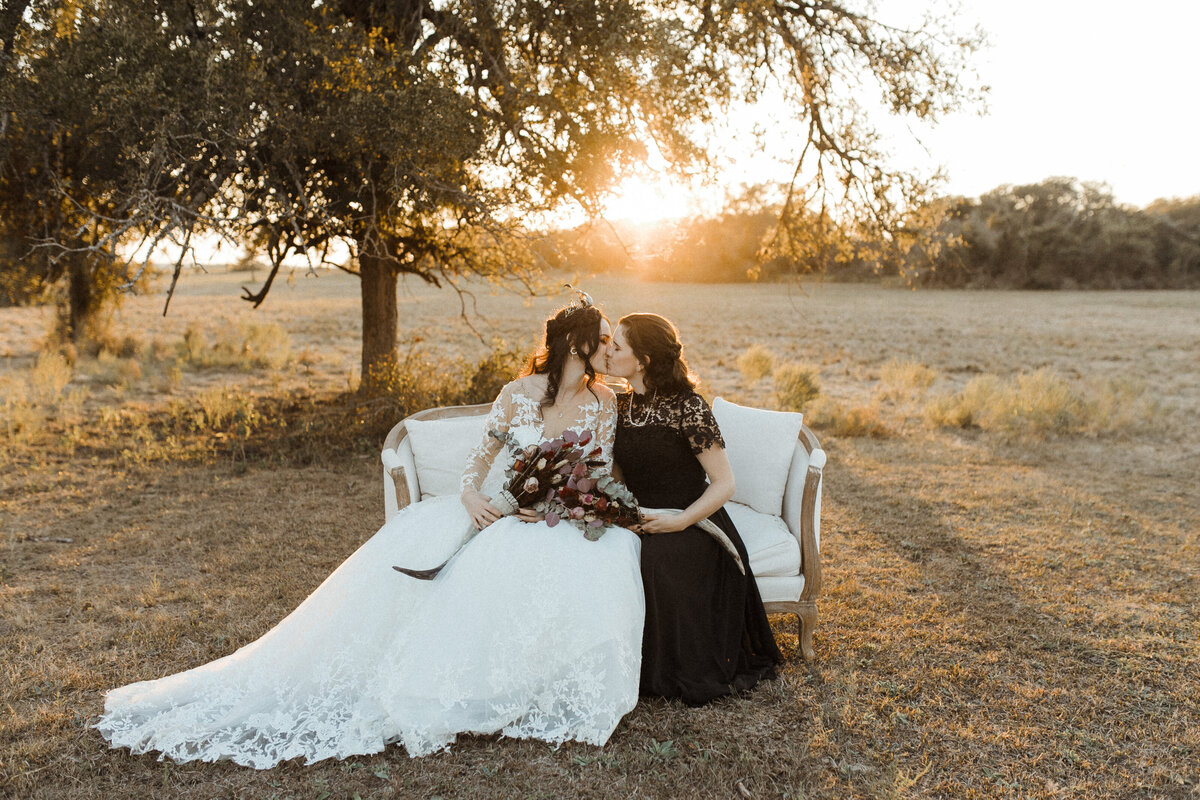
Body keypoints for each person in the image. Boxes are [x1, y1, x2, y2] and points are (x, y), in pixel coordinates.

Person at [96, 300, 645, 767]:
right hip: (493, 509)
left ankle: (530, 687)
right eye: (601, 340)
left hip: (546, 515)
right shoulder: (515, 393)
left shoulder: (604, 402)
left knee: (602, 555)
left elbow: (594, 471)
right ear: (575, 345)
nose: (607, 350)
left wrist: (558, 503)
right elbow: (476, 467)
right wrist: (474, 499)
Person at [605, 313, 780, 705]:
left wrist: (680, 520)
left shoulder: (688, 407)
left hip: (694, 521)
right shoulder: (618, 406)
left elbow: (724, 483)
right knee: (611, 553)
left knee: (657, 560)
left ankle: (666, 674)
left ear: (643, 360)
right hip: (640, 517)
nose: (608, 351)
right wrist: (621, 514)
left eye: (617, 346)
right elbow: (615, 477)